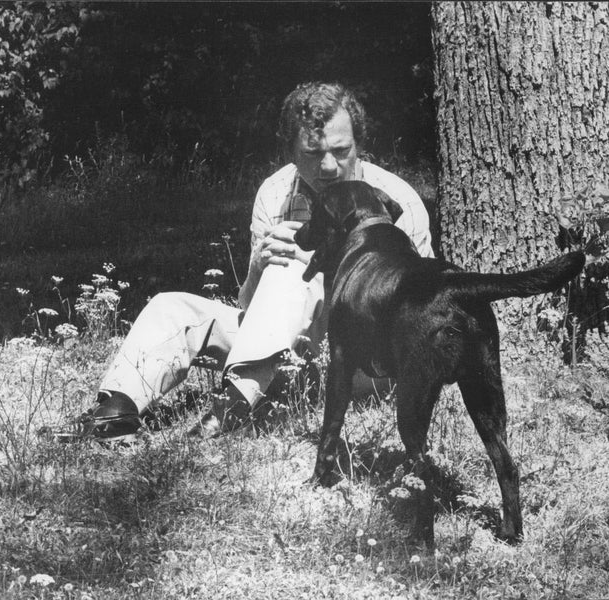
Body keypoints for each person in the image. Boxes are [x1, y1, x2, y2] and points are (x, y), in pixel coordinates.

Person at [75, 82, 434, 440]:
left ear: (359, 145)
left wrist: (320, 270)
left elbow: (418, 315)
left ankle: (229, 410)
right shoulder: (275, 193)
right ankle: (115, 410)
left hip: (367, 361)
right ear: (291, 153)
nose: (328, 167)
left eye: (341, 151)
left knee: (295, 268)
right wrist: (260, 266)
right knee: (171, 308)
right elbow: (249, 308)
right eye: (312, 153)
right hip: (286, 355)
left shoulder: (396, 200)